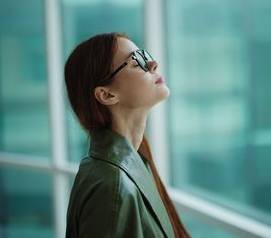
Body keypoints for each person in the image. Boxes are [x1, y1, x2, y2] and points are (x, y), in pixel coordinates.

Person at [64, 32, 190, 238]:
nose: (153, 64)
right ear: (107, 94)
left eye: (144, 55)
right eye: (136, 61)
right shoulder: (112, 188)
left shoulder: (135, 162)